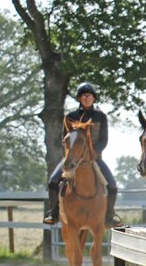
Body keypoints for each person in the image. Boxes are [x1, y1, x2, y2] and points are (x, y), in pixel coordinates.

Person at [43, 82, 123, 228]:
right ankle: (53, 213)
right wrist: (70, 155)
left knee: (112, 185)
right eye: (84, 95)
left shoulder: (101, 116)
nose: (86, 98)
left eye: (89, 95)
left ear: (94, 98)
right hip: (72, 157)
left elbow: (104, 139)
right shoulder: (71, 116)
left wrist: (95, 153)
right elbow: (65, 138)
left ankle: (110, 215)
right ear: (79, 98)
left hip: (95, 158)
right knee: (53, 181)